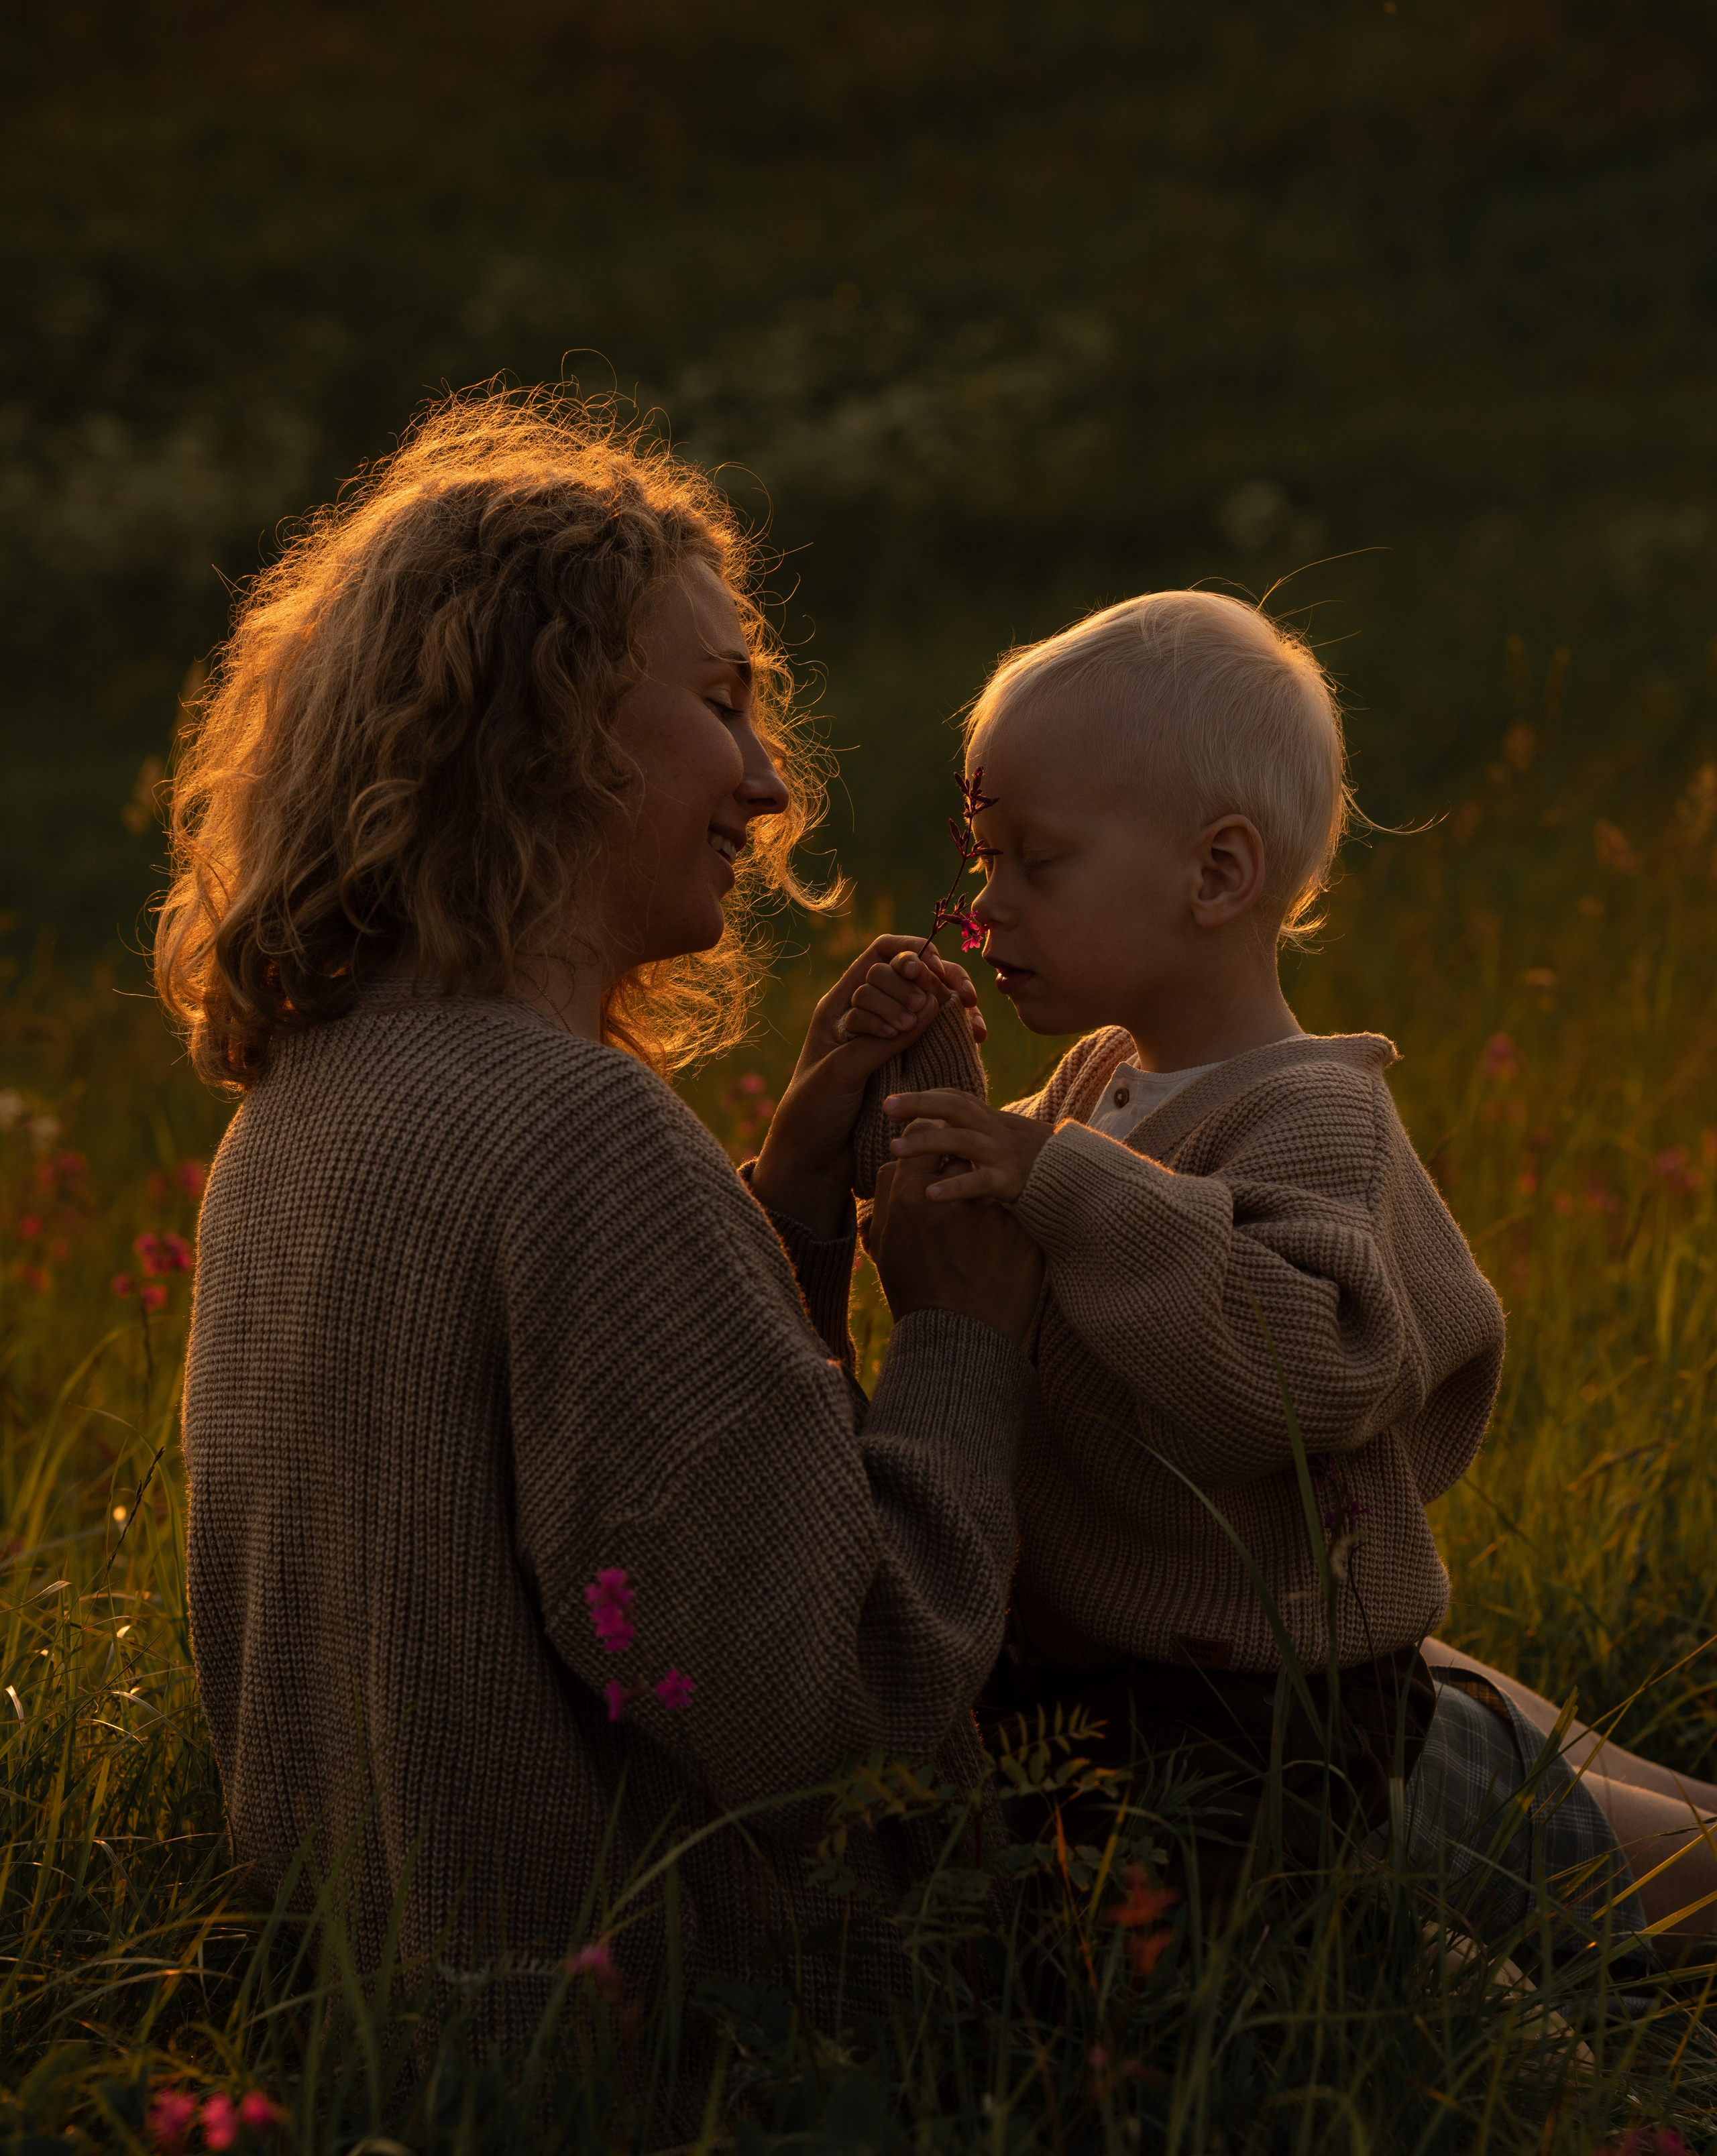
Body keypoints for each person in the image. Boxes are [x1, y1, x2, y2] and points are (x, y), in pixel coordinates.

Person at [158, 389, 1043, 2053]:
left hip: (417, 2066)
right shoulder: (573, 1134)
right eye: (722, 705)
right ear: (545, 721)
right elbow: (851, 1719)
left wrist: (784, 1225)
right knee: (1393, 1743)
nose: (769, 785)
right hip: (705, 2080)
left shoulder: (300, 1116)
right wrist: (963, 1339)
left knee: (1467, 1737)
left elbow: (576, 1565)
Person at [818, 589, 1717, 1957]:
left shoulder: (1310, 1115)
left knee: (1615, 1895)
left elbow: (1295, 1376)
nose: (984, 904)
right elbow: (1060, 1288)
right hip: (1141, 1687)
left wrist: (1047, 1176)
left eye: (1034, 863)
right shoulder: (1100, 1081)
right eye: (980, 859)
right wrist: (919, 1091)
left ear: (1216, 876)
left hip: (1280, 1711)